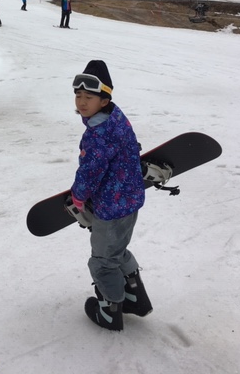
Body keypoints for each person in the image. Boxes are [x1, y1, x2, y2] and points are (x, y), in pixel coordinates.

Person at [70, 61, 151, 332]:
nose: (82, 102)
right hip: (130, 201)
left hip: (110, 207)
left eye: (89, 97)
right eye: (78, 95)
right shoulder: (117, 117)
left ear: (104, 100)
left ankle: (110, 311)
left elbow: (90, 171)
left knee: (103, 261)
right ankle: (134, 297)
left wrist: (79, 197)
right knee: (117, 251)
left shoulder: (98, 134)